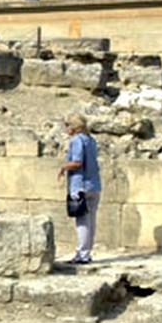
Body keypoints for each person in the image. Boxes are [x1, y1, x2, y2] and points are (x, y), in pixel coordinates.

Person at [57, 113, 102, 265]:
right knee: (91, 221)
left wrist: (63, 167)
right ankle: (86, 253)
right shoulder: (91, 140)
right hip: (94, 184)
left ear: (74, 127)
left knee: (82, 221)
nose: (66, 129)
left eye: (67, 125)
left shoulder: (76, 140)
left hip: (80, 185)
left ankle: (81, 254)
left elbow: (77, 162)